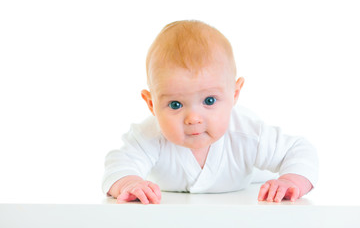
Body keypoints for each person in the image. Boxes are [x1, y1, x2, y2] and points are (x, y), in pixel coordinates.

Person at [102, 20, 318, 204]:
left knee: (265, 173)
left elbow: (299, 150)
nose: (193, 119)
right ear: (151, 104)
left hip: (250, 189)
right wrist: (128, 182)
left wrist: (291, 181)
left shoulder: (247, 133)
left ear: (234, 94)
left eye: (209, 100)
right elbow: (119, 163)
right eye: (175, 104)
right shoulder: (149, 136)